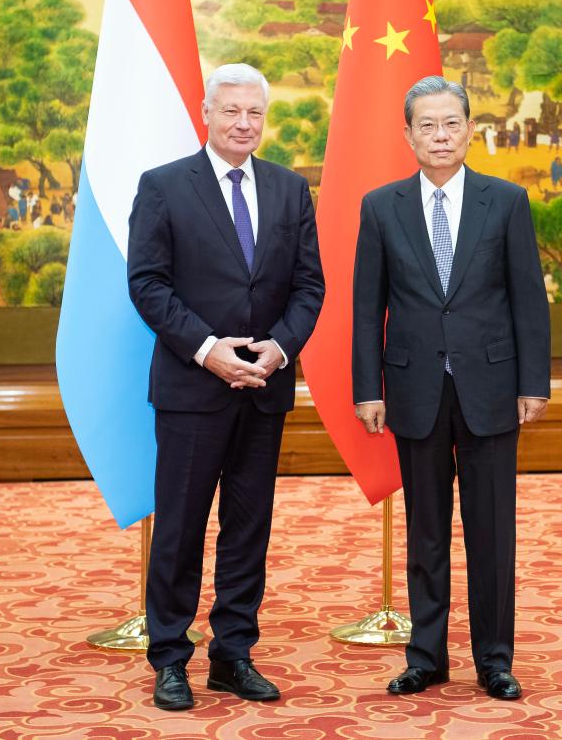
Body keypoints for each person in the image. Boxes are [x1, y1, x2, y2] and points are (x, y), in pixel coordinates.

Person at [127, 63, 325, 711]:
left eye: (255, 112)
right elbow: (147, 283)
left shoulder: (291, 189)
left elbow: (309, 285)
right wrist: (208, 349)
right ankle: (169, 658)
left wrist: (280, 346)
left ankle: (233, 654)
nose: (244, 123)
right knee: (180, 527)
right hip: (192, 388)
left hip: (264, 388)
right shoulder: (163, 187)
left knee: (248, 528)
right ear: (206, 113)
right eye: (231, 110)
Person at [352, 76, 550, 701]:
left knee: (492, 534)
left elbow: (528, 299)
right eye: (427, 125)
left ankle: (494, 660)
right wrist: (367, 387)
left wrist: (534, 382)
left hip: (491, 388)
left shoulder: (507, 201)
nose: (440, 136)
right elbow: (367, 308)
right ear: (408, 135)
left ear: (470, 130)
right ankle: (426, 657)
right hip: (414, 391)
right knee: (426, 533)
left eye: (451, 124)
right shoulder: (381, 206)